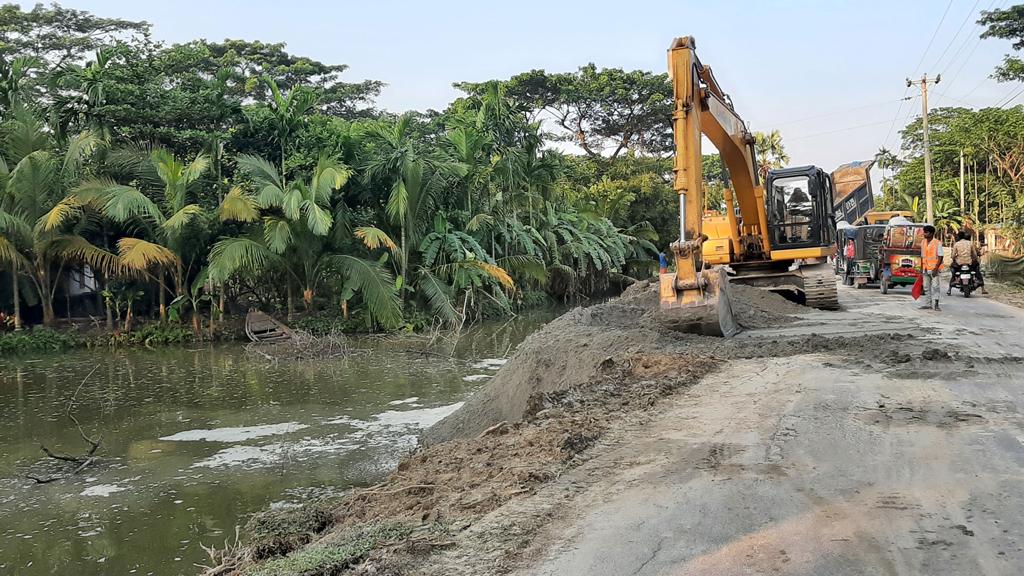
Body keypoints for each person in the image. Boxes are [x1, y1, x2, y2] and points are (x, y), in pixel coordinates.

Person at [948, 230, 988, 295]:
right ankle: (982, 287)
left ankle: (951, 287)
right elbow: (975, 254)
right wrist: (974, 259)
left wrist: (954, 258)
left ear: (958, 237)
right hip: (969, 262)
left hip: (959, 263)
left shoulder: (956, 244)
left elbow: (952, 256)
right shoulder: (970, 243)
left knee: (953, 270)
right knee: (977, 271)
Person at [920, 225, 943, 311]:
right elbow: (922, 256)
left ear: (932, 233)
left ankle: (936, 304)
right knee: (926, 287)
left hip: (934, 269)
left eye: (926, 232)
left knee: (935, 287)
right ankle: (928, 304)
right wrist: (921, 269)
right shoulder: (923, 242)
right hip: (925, 268)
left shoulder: (937, 243)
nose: (924, 234)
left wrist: (936, 268)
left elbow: (940, 256)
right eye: (924, 232)